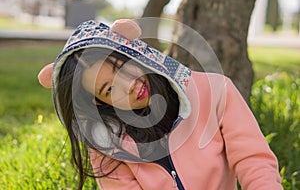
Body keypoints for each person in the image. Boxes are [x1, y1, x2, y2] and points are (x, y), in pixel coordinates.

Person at [38, 19, 283, 190]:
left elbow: (254, 162)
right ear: (99, 103)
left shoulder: (216, 91)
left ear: (133, 51)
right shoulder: (107, 145)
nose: (129, 84)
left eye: (120, 65)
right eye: (109, 89)